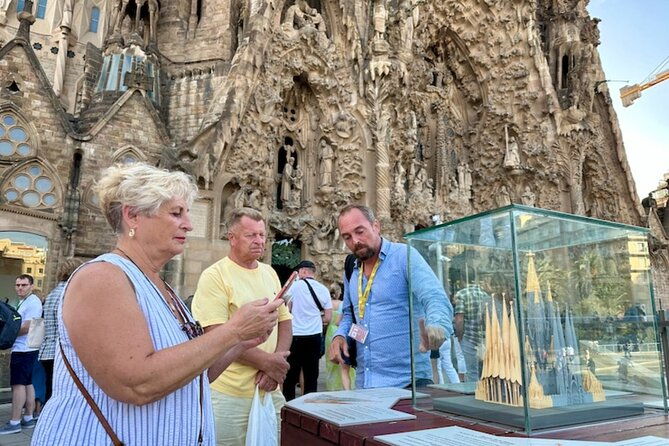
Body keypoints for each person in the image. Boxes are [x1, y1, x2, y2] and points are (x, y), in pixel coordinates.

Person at [32, 163, 282, 445]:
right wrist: (233, 330)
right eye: (176, 213)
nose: (189, 224)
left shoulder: (161, 287)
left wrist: (240, 342)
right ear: (132, 216)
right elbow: (137, 384)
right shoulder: (102, 278)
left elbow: (193, 373)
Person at [192, 207, 293, 446]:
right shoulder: (215, 276)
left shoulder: (269, 272)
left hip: (269, 387)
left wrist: (276, 363)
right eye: (251, 235)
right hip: (229, 393)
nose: (259, 241)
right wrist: (267, 363)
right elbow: (215, 334)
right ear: (232, 238)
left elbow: (285, 321)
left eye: (262, 235)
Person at [328, 205, 453, 389]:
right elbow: (348, 313)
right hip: (365, 384)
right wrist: (339, 336)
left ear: (376, 226)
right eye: (347, 237)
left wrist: (437, 325)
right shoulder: (352, 269)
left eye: (360, 231)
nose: (355, 241)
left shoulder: (403, 256)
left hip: (407, 385)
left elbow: (434, 296)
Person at [283, 260, 332, 401]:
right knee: (311, 374)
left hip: (296, 334)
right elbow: (328, 317)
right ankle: (309, 406)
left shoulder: (294, 287)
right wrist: (315, 319)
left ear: (303, 271)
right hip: (314, 336)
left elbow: (287, 310)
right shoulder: (323, 289)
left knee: (291, 375)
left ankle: (290, 404)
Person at [0, 274, 43, 435]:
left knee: (18, 385)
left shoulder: (32, 302)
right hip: (26, 349)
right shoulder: (27, 301)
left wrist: (6, 334)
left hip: (23, 349)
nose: (20, 288)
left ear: (31, 286)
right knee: (27, 383)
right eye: (17, 285)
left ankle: (15, 422)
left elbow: (27, 326)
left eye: (24, 285)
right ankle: (28, 417)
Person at [38, 258, 83, 406]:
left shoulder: (52, 294)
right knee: (62, 395)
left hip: (46, 351)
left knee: (50, 392)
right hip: (62, 352)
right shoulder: (69, 293)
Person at [454, 279, 492, 382]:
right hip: (483, 338)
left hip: (469, 337)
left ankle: (474, 391)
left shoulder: (461, 294)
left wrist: (460, 337)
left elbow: (459, 319)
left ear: (462, 280)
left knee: (472, 373)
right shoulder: (484, 294)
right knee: (486, 371)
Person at [324, 286, 355, 390]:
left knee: (331, 360)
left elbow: (328, 319)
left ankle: (332, 386)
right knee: (344, 364)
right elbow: (339, 321)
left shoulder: (328, 304)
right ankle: (346, 387)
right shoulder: (342, 304)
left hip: (331, 332)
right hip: (341, 332)